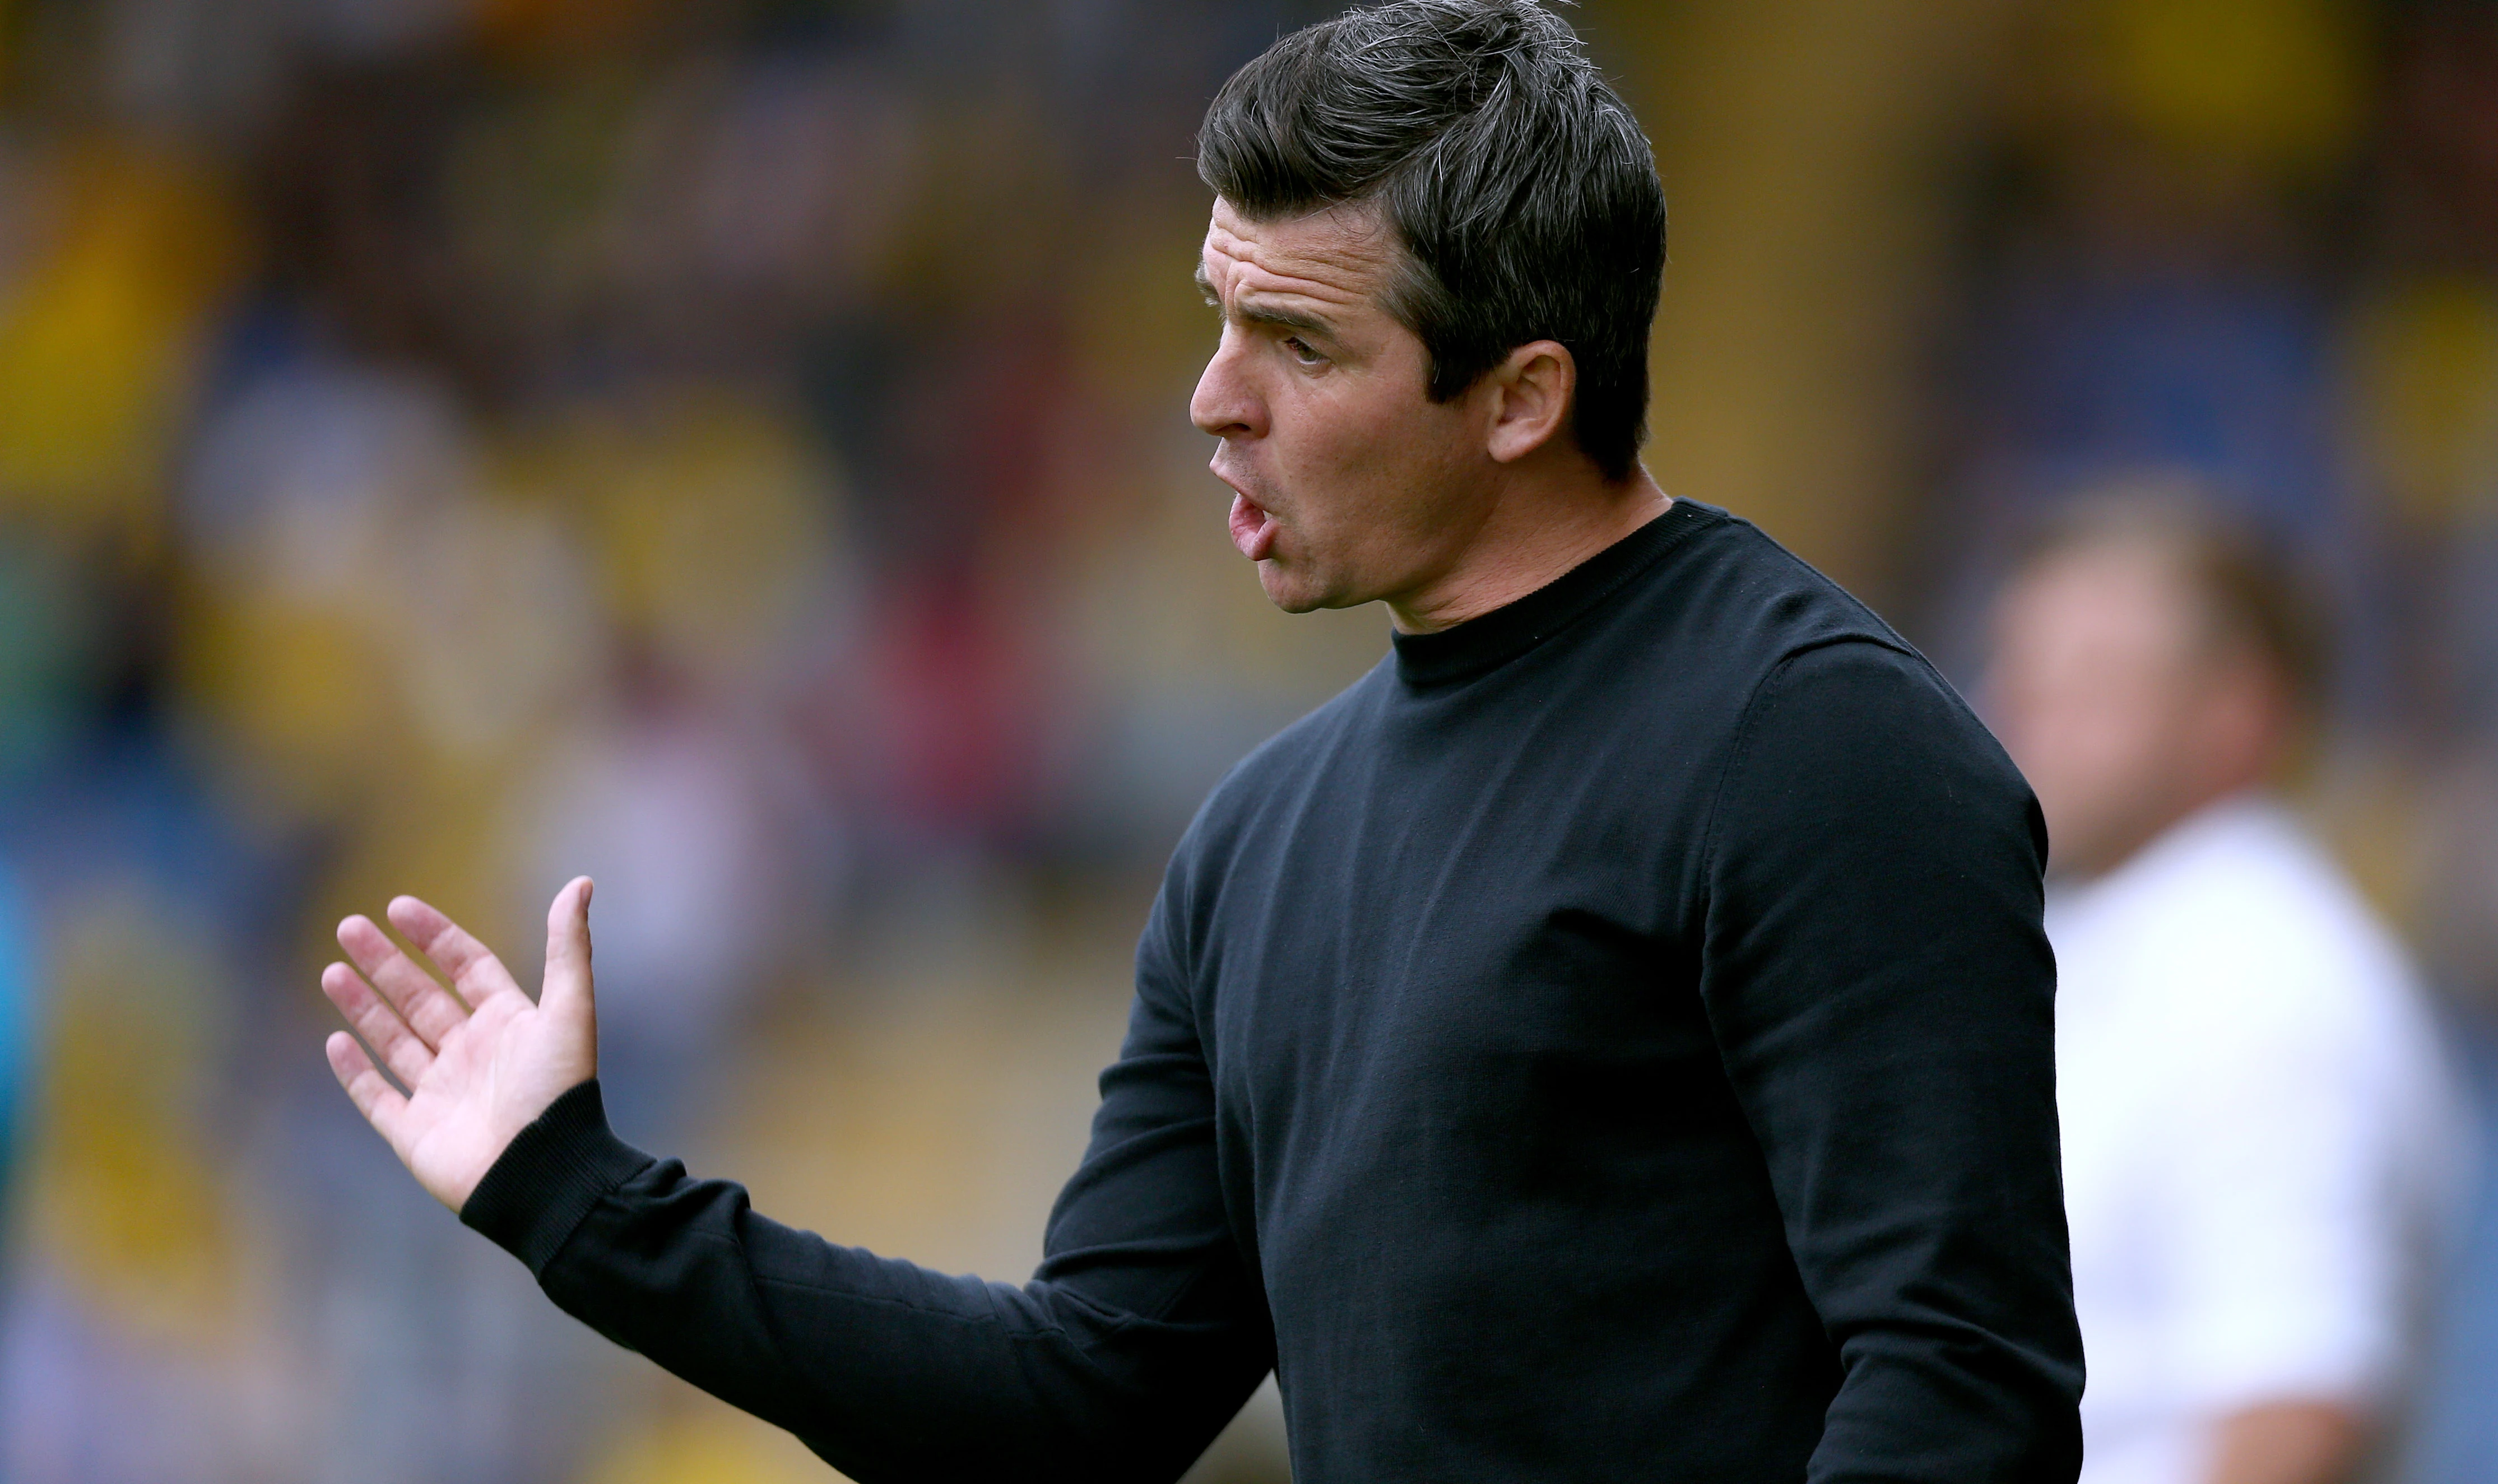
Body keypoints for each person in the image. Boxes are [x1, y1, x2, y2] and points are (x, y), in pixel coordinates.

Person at [315, 4, 2084, 1479]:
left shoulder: (1818, 746)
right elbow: (1083, 1399)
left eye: (1295, 342)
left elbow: (1958, 1392)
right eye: (1212, 316)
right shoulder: (1259, 838)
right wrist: (575, 1201)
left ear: (1521, 398)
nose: (1208, 398)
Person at [1981, 490, 2462, 1484]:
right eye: (2022, 676)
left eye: (2093, 684)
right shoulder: (2109, 934)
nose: (2026, 721)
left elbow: (2298, 1404)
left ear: (2236, 716)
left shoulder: (2268, 988)